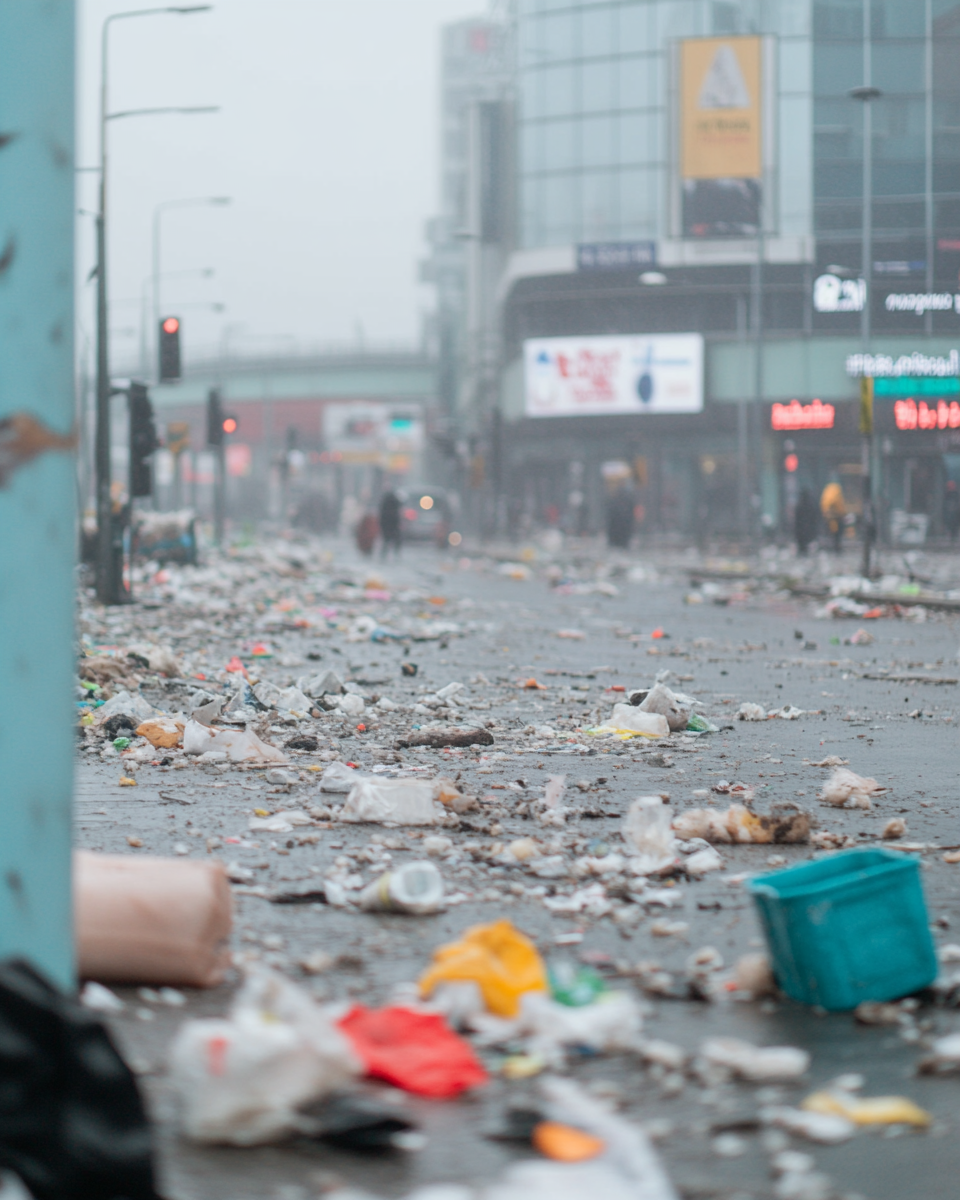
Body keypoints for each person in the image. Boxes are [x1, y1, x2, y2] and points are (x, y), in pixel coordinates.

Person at [820, 479, 846, 553]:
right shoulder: (837, 492)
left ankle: (832, 547)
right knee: (837, 535)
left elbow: (823, 506)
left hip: (829, 519)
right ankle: (836, 547)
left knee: (832, 534)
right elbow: (841, 507)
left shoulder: (827, 494)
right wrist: (842, 514)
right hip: (837, 518)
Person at [606, 484, 635, 549]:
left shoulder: (614, 500)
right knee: (622, 540)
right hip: (622, 526)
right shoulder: (627, 500)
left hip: (618, 526)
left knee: (619, 540)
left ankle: (618, 543)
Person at [794, 486, 819, 555]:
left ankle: (802, 553)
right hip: (808, 528)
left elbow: (797, 518)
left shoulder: (799, 504)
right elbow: (814, 517)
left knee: (802, 544)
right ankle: (804, 553)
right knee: (806, 543)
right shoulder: (811, 504)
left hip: (801, 529)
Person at [379, 488, 401, 558]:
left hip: (387, 525)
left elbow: (381, 517)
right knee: (396, 541)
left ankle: (383, 556)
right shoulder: (395, 504)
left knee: (386, 541)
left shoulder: (385, 506)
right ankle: (396, 555)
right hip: (393, 525)